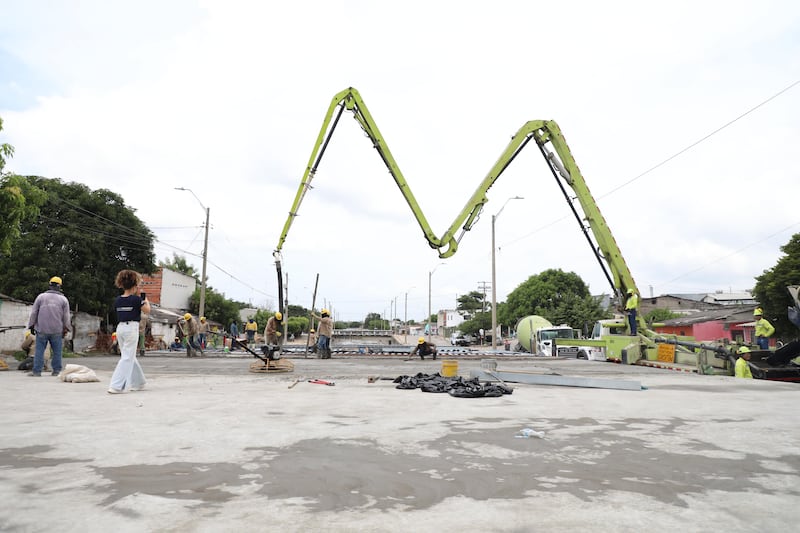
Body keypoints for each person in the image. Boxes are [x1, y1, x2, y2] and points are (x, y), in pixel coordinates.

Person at [108, 270, 150, 393]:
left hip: (120, 328)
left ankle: (139, 382)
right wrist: (145, 299)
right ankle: (116, 386)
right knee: (127, 357)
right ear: (135, 285)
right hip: (131, 328)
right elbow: (147, 310)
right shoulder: (136, 300)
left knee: (128, 355)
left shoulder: (118, 300)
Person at [26, 276, 71, 377]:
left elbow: (34, 313)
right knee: (57, 352)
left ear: (50, 285)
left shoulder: (41, 297)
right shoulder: (63, 299)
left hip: (41, 329)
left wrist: (31, 325)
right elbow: (66, 316)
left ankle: (37, 371)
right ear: (60, 286)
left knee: (39, 351)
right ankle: (56, 371)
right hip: (57, 330)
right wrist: (66, 328)